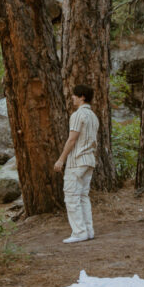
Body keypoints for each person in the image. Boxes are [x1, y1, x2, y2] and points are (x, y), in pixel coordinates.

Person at [54, 84, 99, 244]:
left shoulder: (78, 115)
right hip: (89, 160)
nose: (72, 97)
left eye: (75, 95)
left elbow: (72, 139)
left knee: (72, 196)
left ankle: (79, 232)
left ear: (82, 97)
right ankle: (88, 230)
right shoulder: (93, 116)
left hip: (77, 161)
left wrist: (61, 160)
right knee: (83, 196)